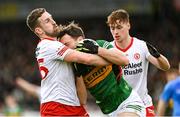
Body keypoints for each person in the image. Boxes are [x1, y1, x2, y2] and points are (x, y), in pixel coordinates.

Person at [26, 8, 119, 116]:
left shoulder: (49, 45)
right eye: (47, 21)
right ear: (39, 31)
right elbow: (87, 59)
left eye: (51, 18)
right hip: (57, 108)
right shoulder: (49, 45)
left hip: (71, 106)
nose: (53, 22)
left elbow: (82, 98)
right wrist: (114, 59)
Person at [57, 22, 146, 117]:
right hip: (108, 112)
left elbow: (124, 60)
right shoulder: (73, 65)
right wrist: (78, 75)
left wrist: (97, 49)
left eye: (67, 44)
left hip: (127, 102)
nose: (66, 50)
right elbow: (83, 100)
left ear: (80, 40)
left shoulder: (100, 44)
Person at [107, 9, 170, 116]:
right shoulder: (108, 49)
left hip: (144, 103)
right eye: (112, 28)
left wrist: (158, 55)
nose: (115, 32)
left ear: (128, 25)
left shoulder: (141, 46)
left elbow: (165, 67)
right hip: (121, 106)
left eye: (119, 27)